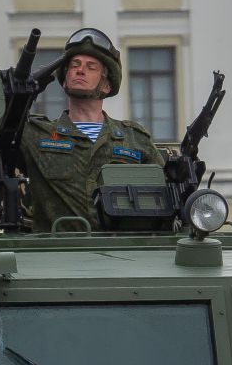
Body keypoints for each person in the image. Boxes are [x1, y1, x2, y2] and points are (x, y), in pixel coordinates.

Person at [19, 27, 165, 231]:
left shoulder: (134, 139)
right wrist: (16, 94)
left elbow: (166, 194)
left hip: (125, 255)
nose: (80, 70)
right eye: (74, 65)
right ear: (64, 79)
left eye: (91, 67)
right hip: (58, 254)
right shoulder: (34, 134)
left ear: (106, 85)